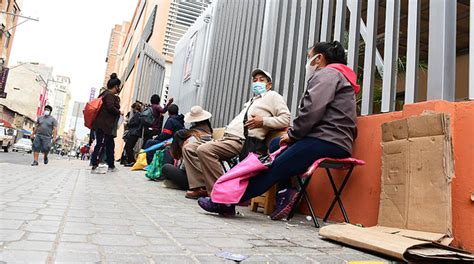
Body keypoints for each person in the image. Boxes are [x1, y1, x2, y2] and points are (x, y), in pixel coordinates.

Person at [198, 40, 360, 219]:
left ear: (318, 59)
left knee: (272, 167)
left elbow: (312, 110)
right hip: (333, 140)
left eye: (309, 58)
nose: (309, 64)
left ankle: (225, 202)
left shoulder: (327, 74)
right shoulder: (340, 77)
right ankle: (285, 193)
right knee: (276, 143)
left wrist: (293, 135)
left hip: (326, 141)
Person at [183, 69, 291, 199]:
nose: (257, 82)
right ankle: (201, 187)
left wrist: (263, 121)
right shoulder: (252, 101)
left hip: (241, 141)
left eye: (261, 80)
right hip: (226, 138)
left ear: (269, 85)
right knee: (189, 148)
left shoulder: (273, 96)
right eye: (255, 80)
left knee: (205, 150)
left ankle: (221, 195)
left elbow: (286, 118)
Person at [161, 106, 214, 190]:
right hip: (208, 178)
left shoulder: (191, 140)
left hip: (193, 181)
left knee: (166, 168)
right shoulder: (210, 137)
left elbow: (184, 167)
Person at [90, 73, 122, 174]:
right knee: (100, 145)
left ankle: (111, 166)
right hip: (104, 125)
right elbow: (110, 107)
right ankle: (94, 166)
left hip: (106, 126)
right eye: (119, 86)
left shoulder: (105, 94)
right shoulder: (109, 95)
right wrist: (119, 111)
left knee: (109, 145)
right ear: (116, 86)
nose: (119, 88)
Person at [123, 102, 143, 166]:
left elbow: (135, 123)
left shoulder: (137, 114)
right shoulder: (140, 114)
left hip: (133, 133)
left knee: (128, 147)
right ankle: (131, 161)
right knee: (129, 147)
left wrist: (128, 124)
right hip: (135, 133)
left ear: (134, 108)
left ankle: (131, 161)